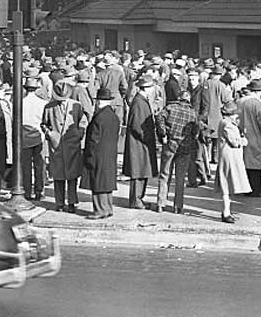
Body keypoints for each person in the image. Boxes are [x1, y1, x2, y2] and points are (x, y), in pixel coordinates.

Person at [156, 85, 201, 214]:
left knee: (164, 175)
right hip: (184, 147)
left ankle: (160, 203)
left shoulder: (170, 108)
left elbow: (159, 118)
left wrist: (163, 134)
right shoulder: (192, 113)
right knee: (180, 178)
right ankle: (178, 206)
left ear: (179, 98)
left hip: (169, 144)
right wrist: (191, 138)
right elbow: (196, 131)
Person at [44, 79, 86, 213]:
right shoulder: (49, 107)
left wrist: (79, 134)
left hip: (72, 146)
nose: (62, 101)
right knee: (58, 176)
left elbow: (83, 121)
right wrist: (50, 134)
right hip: (56, 147)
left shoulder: (77, 106)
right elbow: (43, 124)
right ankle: (59, 203)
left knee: (72, 176)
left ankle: (72, 202)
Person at [123, 73, 160, 209]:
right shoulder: (139, 102)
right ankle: (136, 200)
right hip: (139, 144)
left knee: (142, 172)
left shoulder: (140, 100)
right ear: (148, 88)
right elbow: (137, 126)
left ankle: (139, 198)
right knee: (138, 172)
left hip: (141, 143)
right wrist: (148, 138)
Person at [84, 87, 120, 220]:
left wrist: (89, 154)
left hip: (98, 154)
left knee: (97, 182)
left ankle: (99, 210)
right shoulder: (114, 116)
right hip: (110, 153)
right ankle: (108, 208)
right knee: (107, 182)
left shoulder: (98, 117)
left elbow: (93, 139)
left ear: (99, 102)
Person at [216, 99, 250, 223]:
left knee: (227, 185)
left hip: (226, 155)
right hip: (230, 157)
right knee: (227, 185)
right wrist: (243, 140)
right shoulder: (228, 125)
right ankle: (226, 213)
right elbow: (234, 142)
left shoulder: (223, 122)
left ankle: (227, 211)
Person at [239, 79, 261, 196]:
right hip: (256, 137)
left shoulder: (241, 102)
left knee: (247, 164)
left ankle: (247, 189)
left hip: (245, 136)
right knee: (257, 166)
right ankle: (256, 190)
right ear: (259, 91)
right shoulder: (257, 104)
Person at [20, 76, 48, 202]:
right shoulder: (43, 104)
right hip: (39, 136)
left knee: (26, 166)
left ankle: (26, 191)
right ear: (36, 89)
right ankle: (39, 191)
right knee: (39, 165)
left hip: (24, 137)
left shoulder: (20, 102)